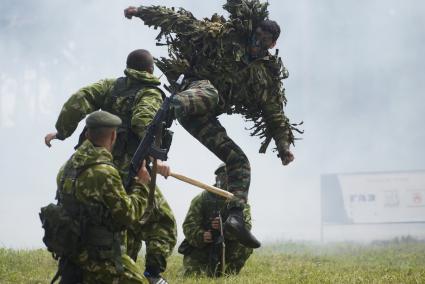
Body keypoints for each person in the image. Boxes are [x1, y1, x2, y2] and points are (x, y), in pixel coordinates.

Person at [124, 0, 301, 248]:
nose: (258, 41)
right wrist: (141, 12)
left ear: (273, 44)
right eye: (257, 35)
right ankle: (167, 110)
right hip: (192, 92)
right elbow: (180, 22)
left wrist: (283, 148)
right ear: (251, 32)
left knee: (239, 162)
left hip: (202, 118)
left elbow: (274, 113)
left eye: (265, 39)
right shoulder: (225, 38)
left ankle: (236, 217)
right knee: (211, 92)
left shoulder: (265, 75)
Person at [44, 50, 176, 283]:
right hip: (129, 167)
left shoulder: (110, 86)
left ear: (127, 67)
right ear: (150, 70)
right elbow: (143, 122)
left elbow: (78, 100)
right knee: (159, 219)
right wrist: (156, 160)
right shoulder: (150, 93)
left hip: (96, 160)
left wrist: (62, 132)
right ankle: (152, 274)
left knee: (113, 218)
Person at [178, 164, 253, 276]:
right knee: (194, 275)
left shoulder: (240, 201)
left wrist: (225, 228)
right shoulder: (202, 199)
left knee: (246, 244)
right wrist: (202, 235)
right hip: (203, 247)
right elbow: (188, 225)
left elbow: (246, 227)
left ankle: (229, 274)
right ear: (218, 178)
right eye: (224, 176)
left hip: (228, 245)